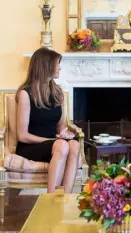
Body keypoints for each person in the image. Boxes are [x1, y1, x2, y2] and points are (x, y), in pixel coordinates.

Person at [15, 47, 80, 193]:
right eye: (57, 64)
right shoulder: (26, 94)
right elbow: (22, 135)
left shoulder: (58, 93)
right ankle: (50, 201)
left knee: (74, 145)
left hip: (55, 143)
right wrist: (53, 141)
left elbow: (60, 125)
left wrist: (64, 133)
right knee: (62, 146)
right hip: (30, 146)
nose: (60, 67)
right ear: (46, 65)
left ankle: (65, 198)